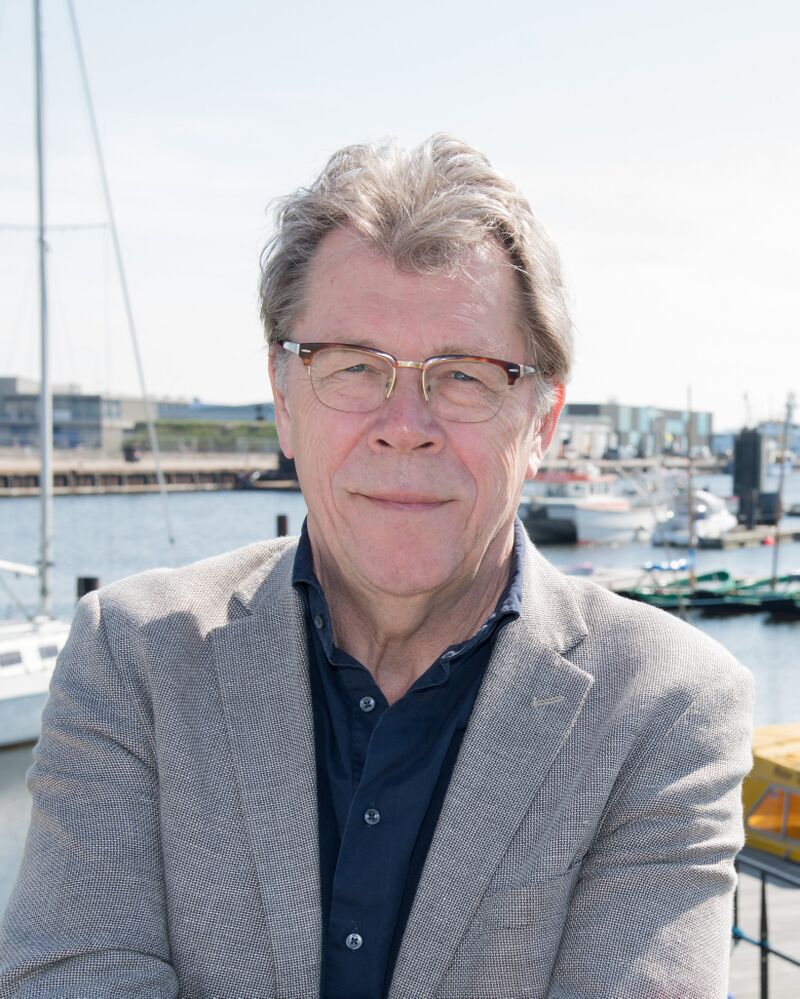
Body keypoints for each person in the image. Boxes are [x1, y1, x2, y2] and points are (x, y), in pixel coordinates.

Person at [0, 135, 753, 999]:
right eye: (355, 366)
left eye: (464, 375)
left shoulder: (662, 705)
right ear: (285, 401)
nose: (405, 426)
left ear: (542, 420)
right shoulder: (134, 656)